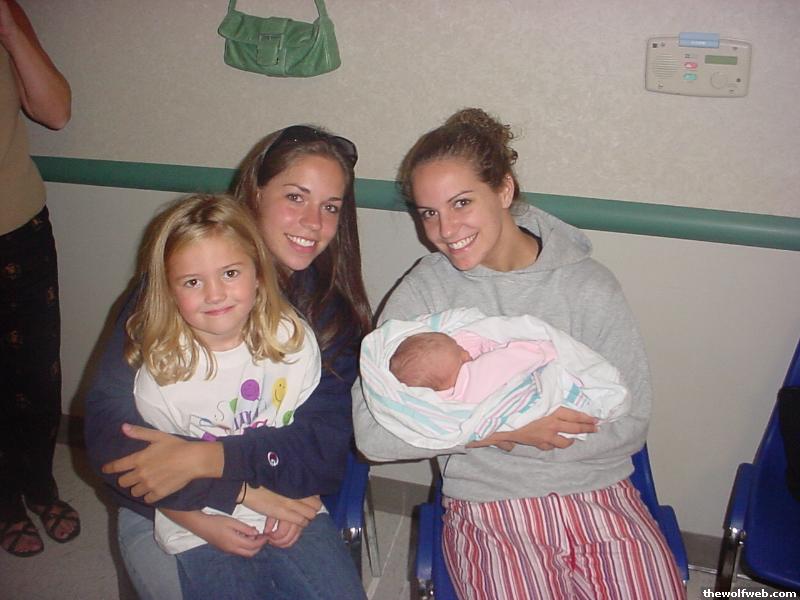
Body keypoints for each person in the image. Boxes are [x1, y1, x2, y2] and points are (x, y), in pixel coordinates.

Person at [353, 108, 685, 599]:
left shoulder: (588, 287)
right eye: (428, 212)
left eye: (461, 202)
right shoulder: (425, 293)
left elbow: (631, 421)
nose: (445, 229)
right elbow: (373, 437)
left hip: (599, 496)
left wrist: (507, 436)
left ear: (504, 190)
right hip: (489, 508)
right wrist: (503, 429)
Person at [85, 126, 371, 600]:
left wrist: (209, 459)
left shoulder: (324, 319)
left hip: (283, 498)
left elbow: (322, 452)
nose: (312, 222)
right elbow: (114, 444)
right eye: (295, 197)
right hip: (171, 509)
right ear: (255, 193)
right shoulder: (171, 298)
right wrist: (236, 492)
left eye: (330, 207)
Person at [0, 0, 77, 558]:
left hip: (19, 225)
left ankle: (41, 486)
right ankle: (5, 502)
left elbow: (55, 112)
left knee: (38, 374)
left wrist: (9, 25)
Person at [361, 307, 630, 450]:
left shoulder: (593, 286)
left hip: (596, 475)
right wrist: (510, 432)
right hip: (489, 490)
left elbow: (634, 425)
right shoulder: (472, 375)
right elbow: (371, 442)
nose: (467, 353)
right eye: (461, 354)